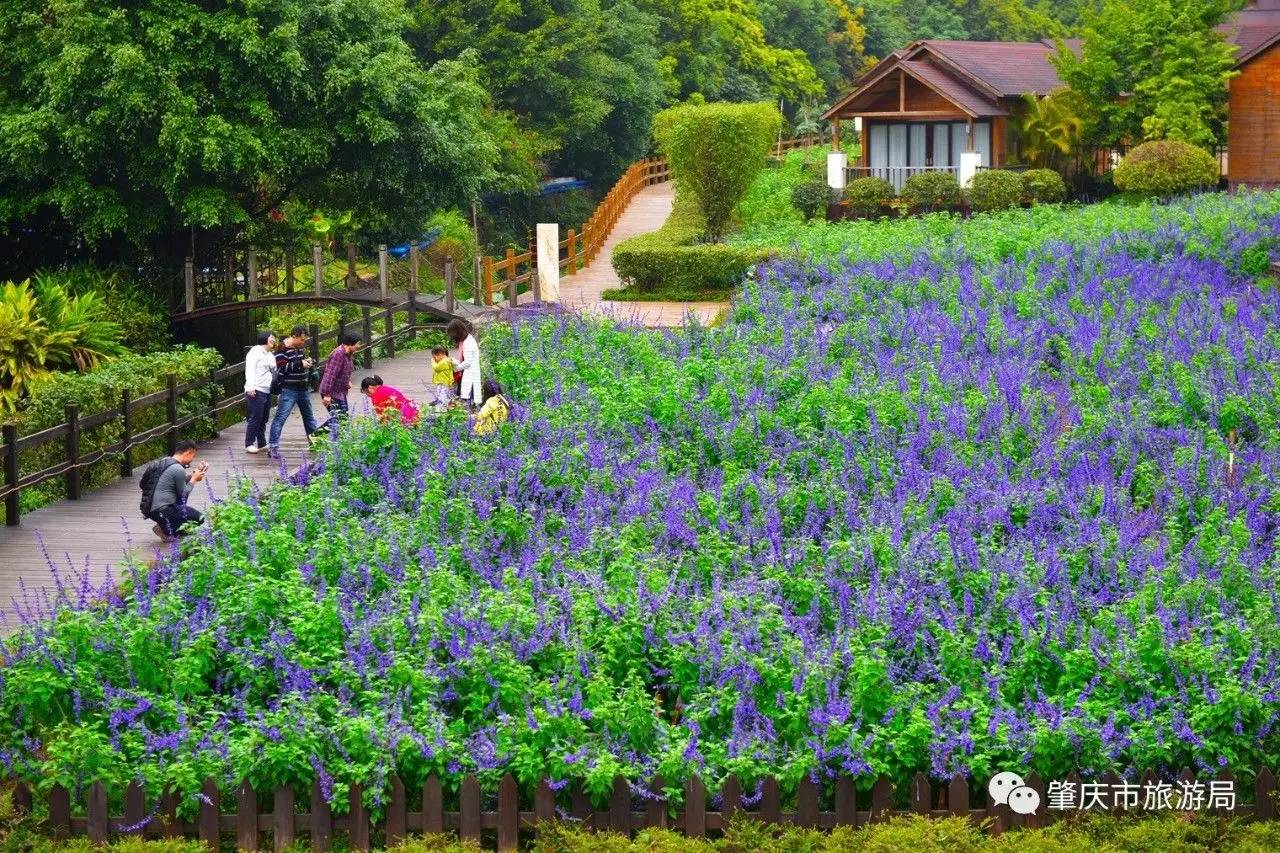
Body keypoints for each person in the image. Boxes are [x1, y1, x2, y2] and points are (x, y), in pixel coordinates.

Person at [267, 325, 318, 459]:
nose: (303, 342)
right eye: (301, 339)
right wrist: (300, 363)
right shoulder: (280, 349)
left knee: (309, 418)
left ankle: (315, 444)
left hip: (303, 389)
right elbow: (282, 368)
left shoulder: (300, 348)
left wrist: (308, 362)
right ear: (294, 336)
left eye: (304, 340)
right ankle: (272, 447)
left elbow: (299, 364)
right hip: (288, 389)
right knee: (280, 418)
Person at [139, 440, 206, 541]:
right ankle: (166, 530)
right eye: (193, 456)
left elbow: (143, 484)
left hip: (151, 510)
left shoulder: (164, 462)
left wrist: (193, 475)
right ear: (188, 453)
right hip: (164, 510)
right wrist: (194, 479)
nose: (192, 460)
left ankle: (164, 524)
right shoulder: (178, 468)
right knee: (199, 518)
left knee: (184, 512)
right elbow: (183, 496)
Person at [318, 332, 361, 431]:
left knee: (343, 419)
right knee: (338, 419)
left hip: (340, 391)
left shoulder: (348, 354)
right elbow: (330, 374)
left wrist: (347, 381)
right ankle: (315, 436)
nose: (358, 346)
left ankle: (339, 442)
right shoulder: (338, 354)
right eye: (357, 344)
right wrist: (327, 394)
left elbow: (343, 370)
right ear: (350, 343)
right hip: (331, 392)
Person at [243, 330, 277, 453]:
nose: (274, 339)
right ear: (264, 338)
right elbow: (250, 370)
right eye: (271, 337)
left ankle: (261, 442)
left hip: (267, 389)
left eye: (274, 338)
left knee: (264, 418)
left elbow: (273, 372)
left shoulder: (270, 355)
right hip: (256, 389)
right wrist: (250, 386)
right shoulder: (255, 352)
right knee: (255, 417)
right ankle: (249, 443)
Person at [447, 319, 482, 410]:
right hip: (465, 374)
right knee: (464, 397)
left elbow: (468, 363)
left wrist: (455, 368)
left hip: (470, 374)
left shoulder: (468, 342)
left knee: (469, 398)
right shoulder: (463, 341)